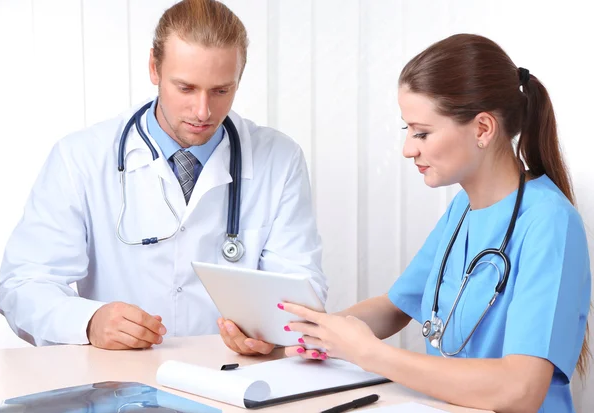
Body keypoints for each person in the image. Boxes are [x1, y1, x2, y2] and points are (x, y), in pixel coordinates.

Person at [222, 34, 591, 413]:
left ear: (482, 129)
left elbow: (521, 390)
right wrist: (303, 333)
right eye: (408, 130)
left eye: (422, 132)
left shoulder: (549, 223)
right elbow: (396, 306)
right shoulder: (463, 209)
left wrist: (369, 353)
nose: (408, 149)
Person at [0, 0, 327, 350]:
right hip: (117, 383)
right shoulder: (80, 158)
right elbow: (23, 284)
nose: (203, 111)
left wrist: (271, 332)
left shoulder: (279, 159)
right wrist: (88, 322)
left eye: (221, 90)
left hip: (232, 377)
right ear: (154, 68)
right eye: (185, 88)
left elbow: (299, 290)